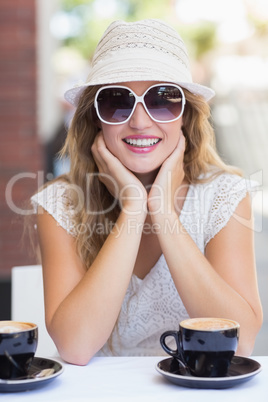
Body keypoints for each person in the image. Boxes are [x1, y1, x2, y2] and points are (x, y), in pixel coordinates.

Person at [31, 19, 263, 365]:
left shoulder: (224, 196)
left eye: (162, 99)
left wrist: (164, 212)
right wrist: (134, 207)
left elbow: (239, 343)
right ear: (95, 118)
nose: (139, 121)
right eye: (116, 101)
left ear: (185, 115)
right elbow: (75, 347)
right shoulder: (60, 204)